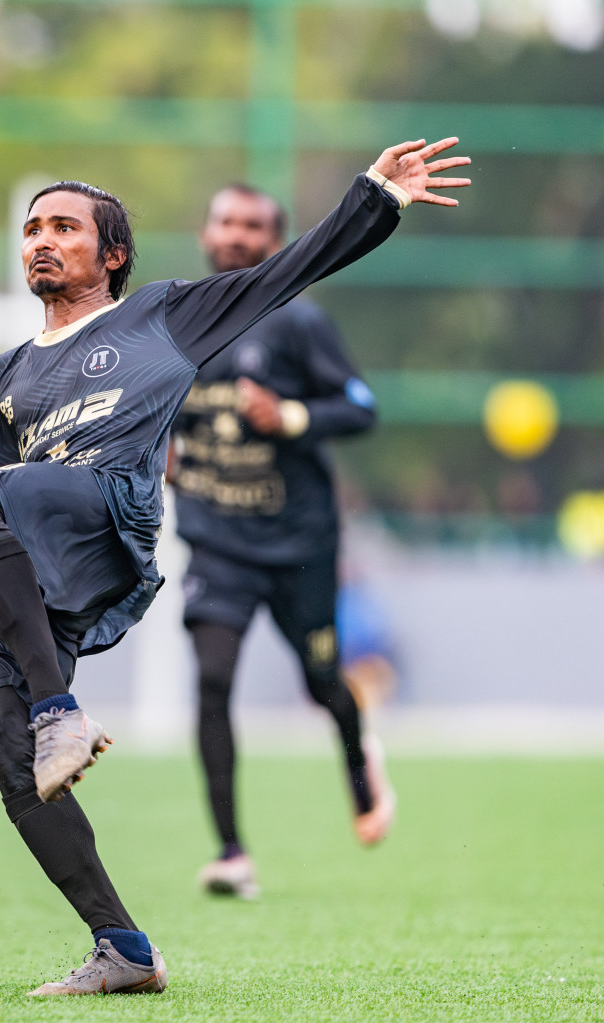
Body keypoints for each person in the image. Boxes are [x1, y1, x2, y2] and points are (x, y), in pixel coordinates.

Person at [0, 139, 470, 996]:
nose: (41, 239)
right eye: (33, 227)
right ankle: (124, 949)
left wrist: (377, 198)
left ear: (113, 256)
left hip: (105, 519)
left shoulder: (164, 316)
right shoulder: (2, 376)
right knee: (6, 748)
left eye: (64, 226)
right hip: (28, 572)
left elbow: (291, 269)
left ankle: (63, 711)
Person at [173, 183, 393, 902]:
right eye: (226, 221)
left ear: (278, 241)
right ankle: (231, 852)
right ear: (207, 232)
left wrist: (292, 416)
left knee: (324, 682)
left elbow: (361, 408)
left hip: (298, 544)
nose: (236, 236)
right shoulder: (173, 325)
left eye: (253, 227)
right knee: (211, 679)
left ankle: (361, 766)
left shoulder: (300, 324)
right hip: (217, 542)